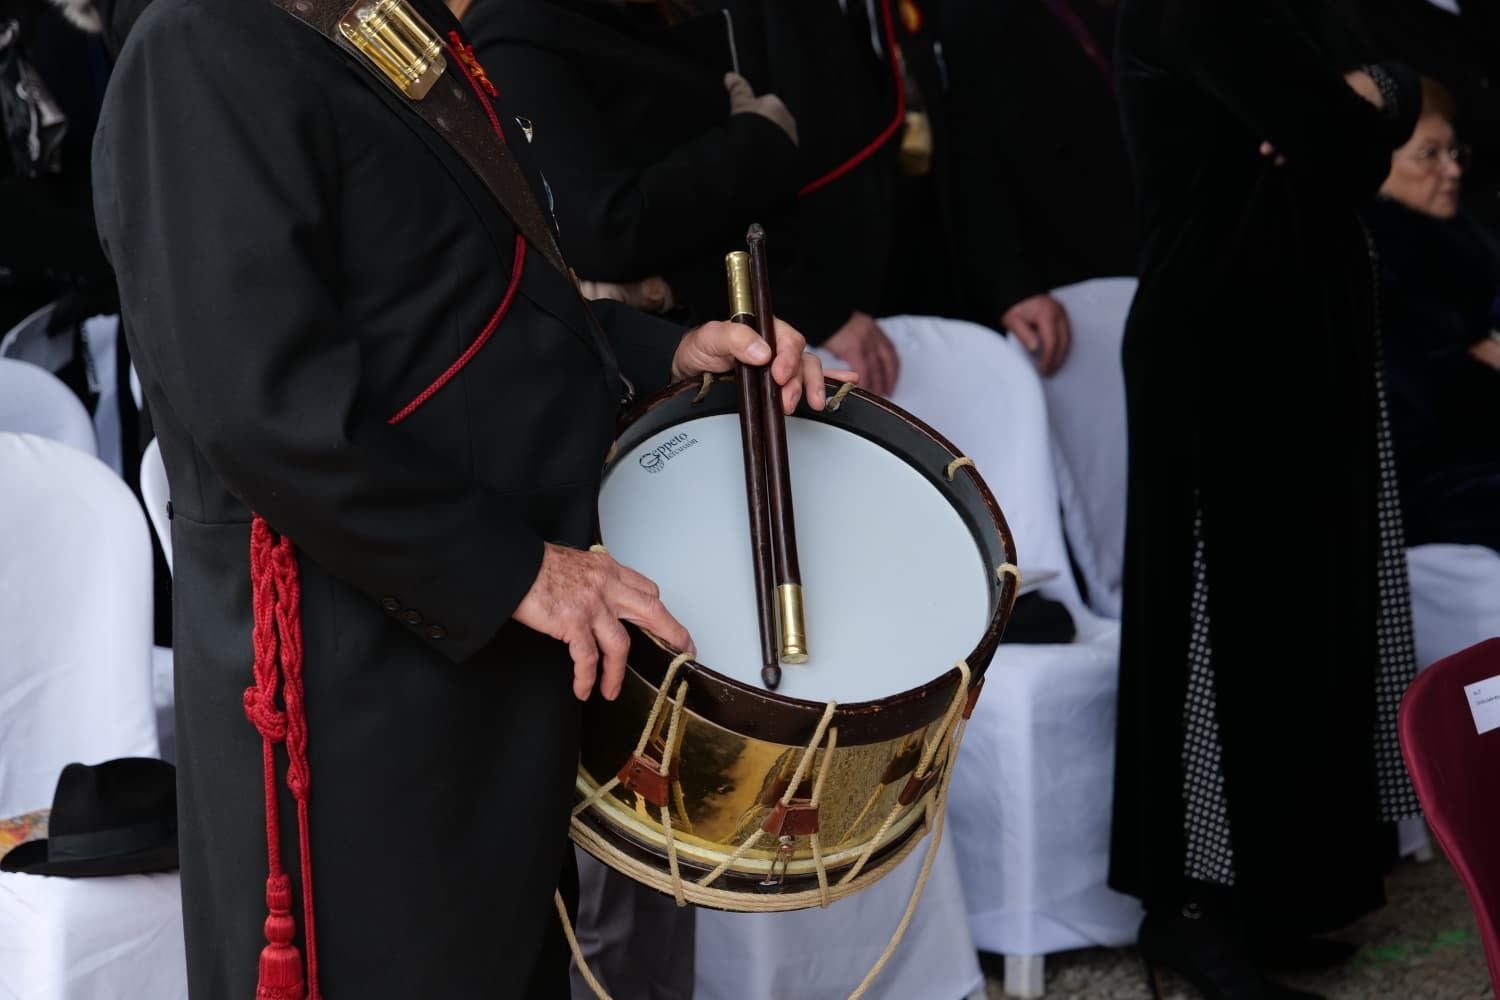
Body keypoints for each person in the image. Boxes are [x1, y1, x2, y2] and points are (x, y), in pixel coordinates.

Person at [90, 0, 835, 995]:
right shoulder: (199, 43)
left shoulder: (372, 18)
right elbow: (263, 412)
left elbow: (481, 306)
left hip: (483, 663)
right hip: (362, 696)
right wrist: (519, 571)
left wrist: (670, 355)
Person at [1108, 2, 1424, 998]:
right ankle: (1192, 908)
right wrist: (1354, 104)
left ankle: (1275, 897)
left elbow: (1396, 80)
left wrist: (1369, 93)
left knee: (1306, 628)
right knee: (1223, 636)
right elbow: (1341, 143)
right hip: (1223, 348)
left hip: (1297, 339)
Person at [940, 0, 1138, 375]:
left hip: (1142, 244)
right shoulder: (976, 17)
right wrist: (1011, 284)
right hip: (1059, 283)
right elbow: (971, 156)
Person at [1368, 79, 1500, 554]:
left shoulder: (1462, 238)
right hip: (1425, 488)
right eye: (1428, 154)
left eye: (1454, 151)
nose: (1452, 170)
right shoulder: (1372, 262)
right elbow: (1433, 394)